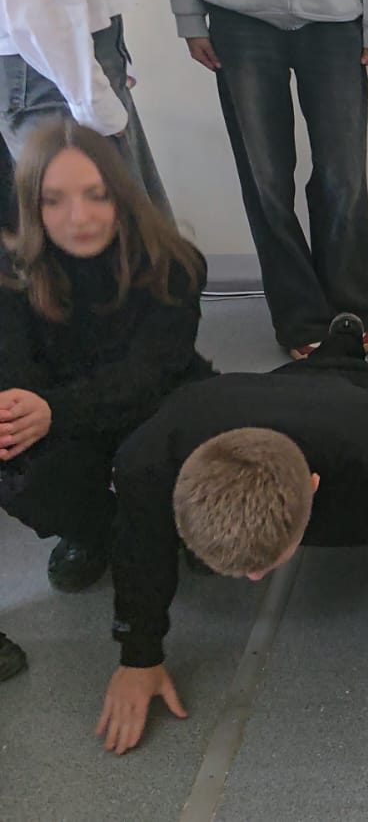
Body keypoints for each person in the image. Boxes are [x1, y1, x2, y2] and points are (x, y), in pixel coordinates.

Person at [97, 308, 368, 755]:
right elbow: (140, 554)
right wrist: (138, 657)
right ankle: (345, 331)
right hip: (277, 387)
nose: (253, 578)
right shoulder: (148, 462)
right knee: (323, 363)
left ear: (314, 486)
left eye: (266, 563)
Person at [168, 0, 368, 358]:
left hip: (333, 16)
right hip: (239, 19)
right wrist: (189, 18)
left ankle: (351, 308)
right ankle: (300, 318)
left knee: (343, 176)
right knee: (266, 180)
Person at [0, 120, 211, 593]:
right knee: (19, 466)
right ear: (31, 207)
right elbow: (13, 368)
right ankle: (95, 532)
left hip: (155, 403)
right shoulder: (12, 273)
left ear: (121, 195)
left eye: (96, 195)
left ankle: (185, 520)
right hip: (61, 416)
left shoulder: (172, 262)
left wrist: (54, 410)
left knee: (203, 433)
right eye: (54, 200)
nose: (79, 217)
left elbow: (152, 371)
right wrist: (13, 413)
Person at [0, 0, 171, 213]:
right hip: (51, 68)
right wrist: (90, 93)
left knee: (130, 224)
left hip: (61, 59)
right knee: (115, 226)